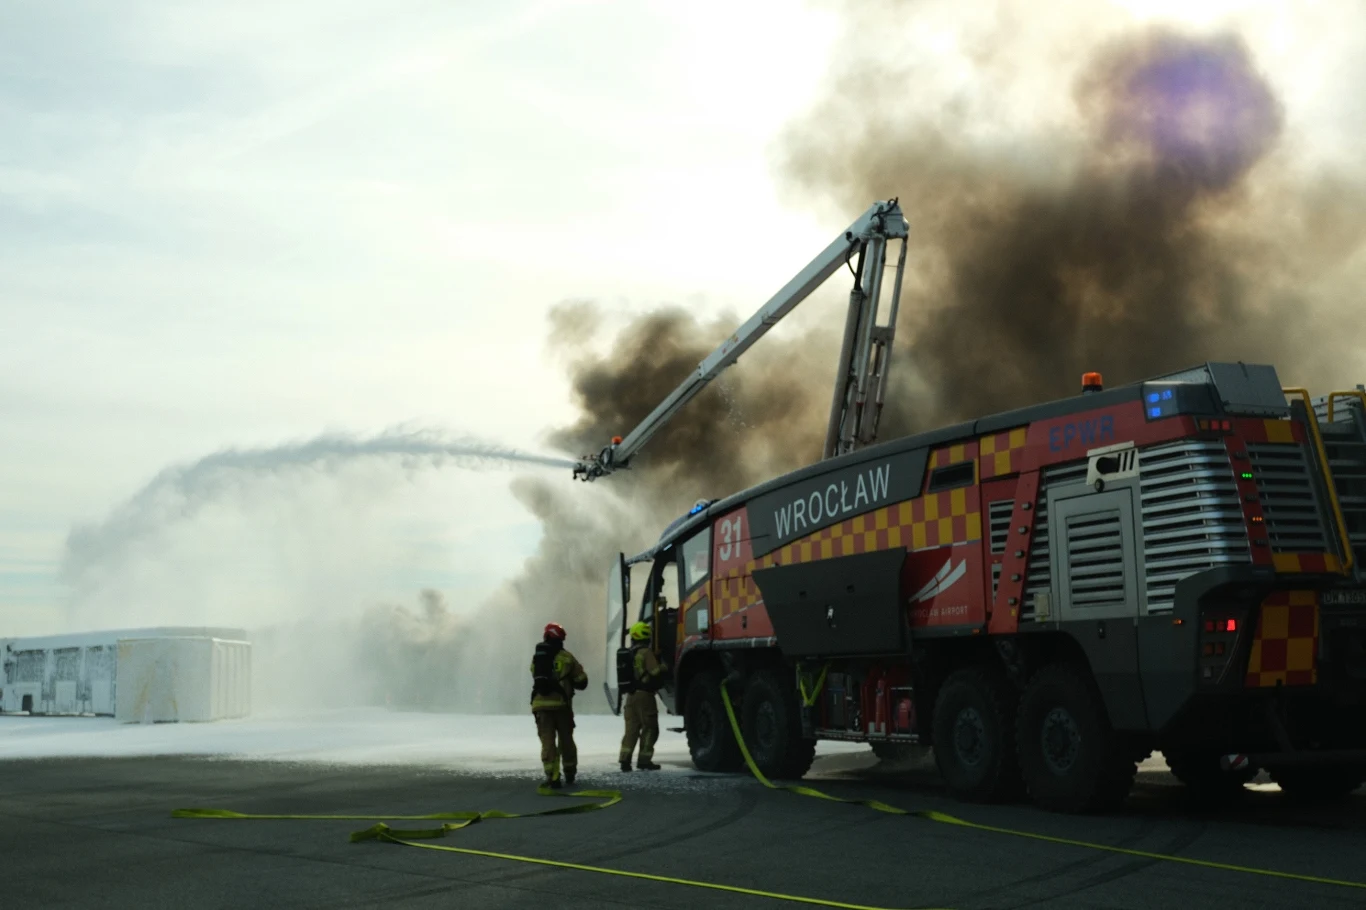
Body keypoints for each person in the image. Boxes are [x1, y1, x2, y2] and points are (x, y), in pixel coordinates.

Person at [530, 622, 587, 788]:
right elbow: (582, 681)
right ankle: (569, 773)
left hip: (540, 705)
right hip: (561, 706)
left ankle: (552, 776)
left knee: (547, 741)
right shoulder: (567, 657)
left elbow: (535, 674)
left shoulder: (538, 658)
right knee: (566, 740)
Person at [619, 620, 664, 772]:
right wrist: (664, 665)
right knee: (650, 728)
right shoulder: (646, 652)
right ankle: (644, 760)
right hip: (645, 696)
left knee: (631, 729)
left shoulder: (629, 653)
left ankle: (625, 760)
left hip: (630, 696)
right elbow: (655, 672)